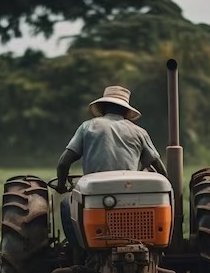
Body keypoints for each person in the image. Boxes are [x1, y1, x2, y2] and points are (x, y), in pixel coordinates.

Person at [55, 85, 167, 244]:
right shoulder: (139, 132)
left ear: (103, 107)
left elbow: (63, 163)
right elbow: (158, 165)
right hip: (133, 193)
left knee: (67, 206)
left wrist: (61, 185)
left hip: (95, 191)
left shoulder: (88, 127)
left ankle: (77, 250)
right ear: (126, 111)